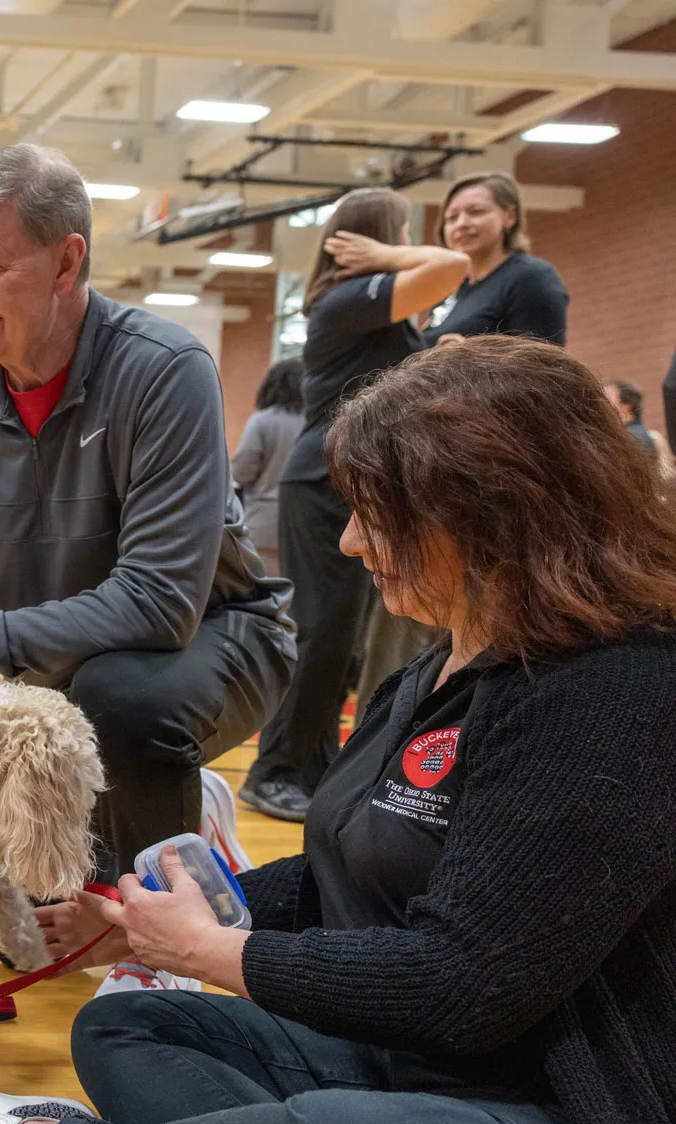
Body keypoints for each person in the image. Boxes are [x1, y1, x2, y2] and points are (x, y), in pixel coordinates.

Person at [0, 336, 676, 1124]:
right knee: (124, 1027)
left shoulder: (615, 690)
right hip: (410, 1056)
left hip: (543, 1092)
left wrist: (211, 954)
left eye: (377, 516)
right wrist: (142, 921)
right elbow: (331, 880)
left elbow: (463, 982)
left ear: (487, 516)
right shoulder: (434, 670)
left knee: (318, 1114)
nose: (350, 542)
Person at [0, 144, 294, 993]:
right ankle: (172, 814)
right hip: (53, 665)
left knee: (122, 697)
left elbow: (157, 605)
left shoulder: (163, 372)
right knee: (26, 943)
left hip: (216, 640)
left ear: (67, 261)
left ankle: (156, 930)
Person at [243, 188, 467, 824]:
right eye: (397, 231)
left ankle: (310, 768)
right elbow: (452, 266)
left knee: (342, 643)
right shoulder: (346, 300)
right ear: (375, 235)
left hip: (351, 482)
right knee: (321, 634)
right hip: (320, 483)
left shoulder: (380, 319)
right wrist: (390, 253)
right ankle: (274, 771)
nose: (404, 244)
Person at [422, 171, 569, 348]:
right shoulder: (451, 288)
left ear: (510, 217)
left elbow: (543, 367)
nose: (461, 223)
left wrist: (469, 358)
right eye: (452, 217)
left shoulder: (531, 277)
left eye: (476, 212)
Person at [230, 358, 303, 576]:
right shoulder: (317, 423)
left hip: (263, 525)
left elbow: (242, 471)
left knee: (264, 598)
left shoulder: (262, 421)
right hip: (305, 526)